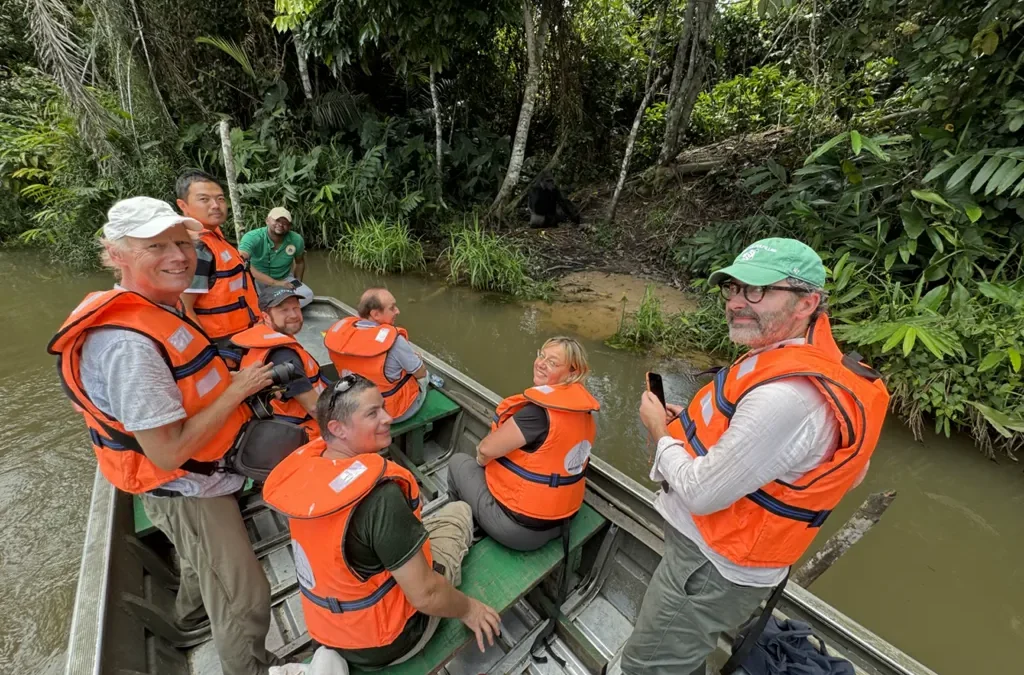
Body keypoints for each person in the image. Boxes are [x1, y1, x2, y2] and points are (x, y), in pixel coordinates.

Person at [619, 238, 890, 675]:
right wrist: (682, 425)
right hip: (721, 559)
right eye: (733, 288)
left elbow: (701, 493)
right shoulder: (794, 358)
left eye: (758, 291)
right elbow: (840, 471)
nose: (737, 303)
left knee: (645, 668)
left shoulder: (788, 398)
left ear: (808, 302)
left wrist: (657, 430)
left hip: (710, 566)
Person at [47, 196, 278, 675]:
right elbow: (169, 451)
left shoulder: (153, 307)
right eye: (156, 245)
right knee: (246, 599)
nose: (178, 255)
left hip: (187, 477)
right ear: (116, 254)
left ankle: (188, 612)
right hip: (188, 486)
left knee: (198, 565)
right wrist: (238, 390)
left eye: (181, 242)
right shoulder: (129, 346)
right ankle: (251, 667)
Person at [263, 375, 502, 668]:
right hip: (388, 642)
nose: (388, 418)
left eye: (384, 408)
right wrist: (470, 610)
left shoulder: (306, 475)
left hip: (333, 631)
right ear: (337, 429)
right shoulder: (381, 498)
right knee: (459, 513)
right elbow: (425, 596)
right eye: (372, 413)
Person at [447, 337, 599, 551]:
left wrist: (482, 463)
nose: (541, 363)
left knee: (458, 463)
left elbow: (485, 450)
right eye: (541, 355)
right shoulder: (584, 413)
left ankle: (465, 527)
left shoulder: (536, 414)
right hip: (562, 520)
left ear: (573, 373)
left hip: (520, 530)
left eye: (553, 363)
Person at [176, 169, 260, 357]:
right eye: (204, 199)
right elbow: (183, 307)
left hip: (240, 337)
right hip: (222, 346)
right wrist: (211, 355)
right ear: (183, 205)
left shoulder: (213, 237)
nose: (215, 205)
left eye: (220, 199)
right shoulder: (196, 248)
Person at [230, 286, 329, 437]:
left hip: (269, 424)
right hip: (301, 431)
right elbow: (315, 409)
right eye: (284, 310)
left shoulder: (259, 339)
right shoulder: (284, 357)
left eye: (296, 308)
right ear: (266, 316)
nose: (294, 315)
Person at [323, 288, 428, 423]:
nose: (397, 311)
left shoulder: (339, 336)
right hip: (390, 412)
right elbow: (420, 373)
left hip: (356, 406)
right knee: (425, 376)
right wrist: (416, 360)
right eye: (392, 308)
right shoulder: (394, 342)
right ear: (375, 314)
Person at [239, 207, 314, 308]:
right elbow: (241, 261)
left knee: (308, 294)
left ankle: (272, 309)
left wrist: (298, 282)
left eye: (285, 222)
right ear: (267, 221)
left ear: (290, 226)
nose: (281, 224)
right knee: (246, 299)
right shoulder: (252, 237)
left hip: (284, 278)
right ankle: (279, 308)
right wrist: (275, 283)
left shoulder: (296, 239)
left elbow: (299, 262)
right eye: (277, 220)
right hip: (258, 280)